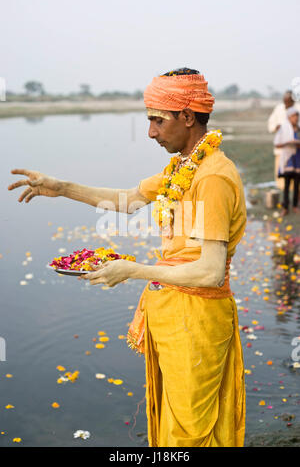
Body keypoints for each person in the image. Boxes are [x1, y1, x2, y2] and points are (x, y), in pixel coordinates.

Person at [8, 68, 247, 447]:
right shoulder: (182, 168)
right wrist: (61, 187)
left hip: (198, 320)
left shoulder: (211, 178)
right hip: (175, 313)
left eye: (157, 120)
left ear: (187, 116)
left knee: (192, 428)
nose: (151, 131)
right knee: (174, 416)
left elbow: (211, 271)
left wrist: (131, 270)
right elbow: (128, 200)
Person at [268, 90, 300, 190]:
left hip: (296, 151)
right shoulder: (279, 109)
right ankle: (285, 200)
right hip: (282, 150)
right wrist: (276, 127)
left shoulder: (297, 109)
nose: (287, 104)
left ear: (293, 101)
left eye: (289, 102)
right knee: (283, 178)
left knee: (297, 177)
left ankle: (297, 199)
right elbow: (271, 123)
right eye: (285, 102)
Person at [274, 106, 300, 215]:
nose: (296, 119)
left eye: (297, 116)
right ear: (289, 117)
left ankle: (295, 206)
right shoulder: (283, 129)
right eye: (294, 116)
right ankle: (285, 207)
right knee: (287, 184)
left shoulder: (299, 129)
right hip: (288, 160)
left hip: (298, 159)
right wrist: (287, 142)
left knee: (297, 184)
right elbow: (277, 144)